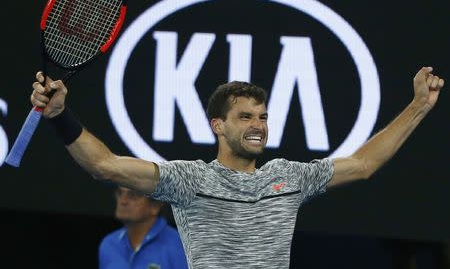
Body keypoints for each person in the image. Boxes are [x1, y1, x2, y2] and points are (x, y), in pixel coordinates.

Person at [31, 67, 444, 269]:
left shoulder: (289, 177)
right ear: (218, 126)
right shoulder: (189, 180)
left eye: (262, 117)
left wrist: (418, 107)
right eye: (245, 117)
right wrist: (60, 116)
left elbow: (364, 163)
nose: (258, 126)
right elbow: (103, 165)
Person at [99, 186, 188, 269]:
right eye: (120, 193)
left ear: (155, 206)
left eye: (133, 195)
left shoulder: (180, 245)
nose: (123, 201)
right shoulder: (108, 243)